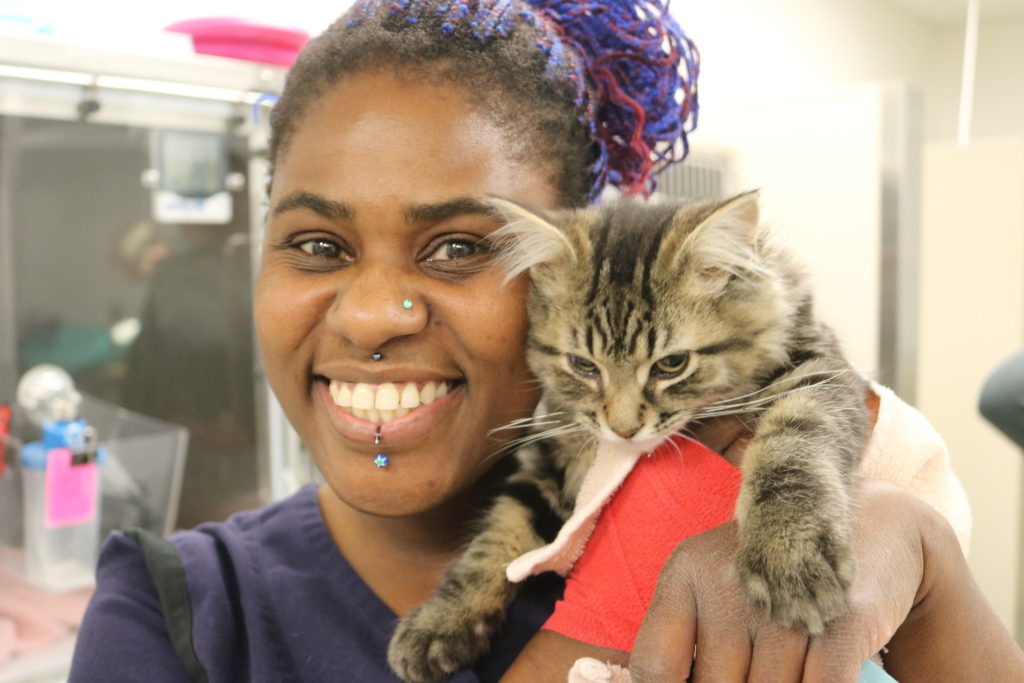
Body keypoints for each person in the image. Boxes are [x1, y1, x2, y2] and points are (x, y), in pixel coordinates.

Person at [69, 1, 1023, 681]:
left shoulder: (720, 484)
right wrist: (612, 599)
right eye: (318, 243)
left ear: (556, 273)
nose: (371, 315)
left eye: (456, 247)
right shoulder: (176, 606)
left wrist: (932, 571)